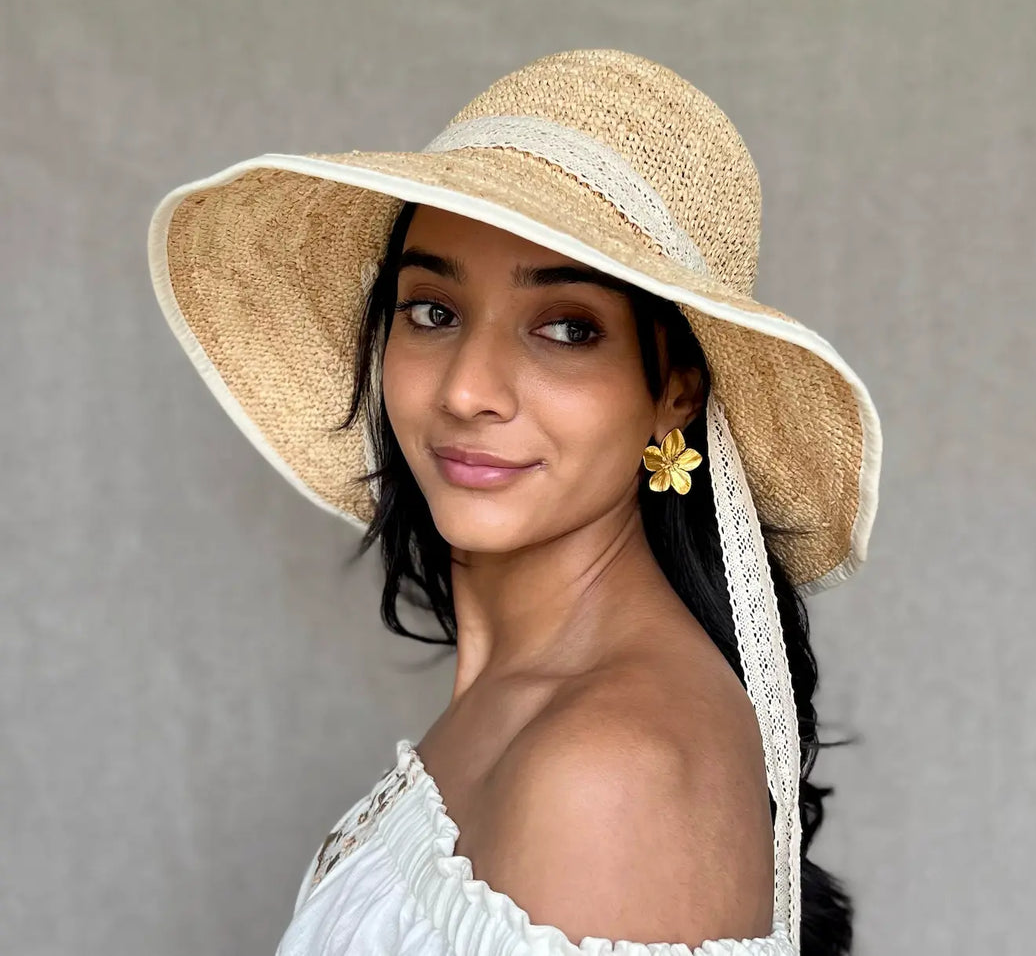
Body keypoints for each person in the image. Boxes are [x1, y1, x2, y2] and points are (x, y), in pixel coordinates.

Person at [147, 49, 882, 956]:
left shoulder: (612, 768)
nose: (467, 390)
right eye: (432, 311)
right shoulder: (527, 697)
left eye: (568, 328)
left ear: (677, 391)